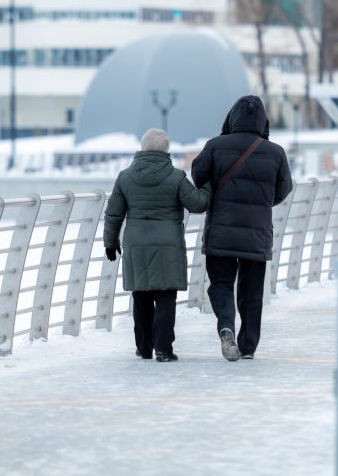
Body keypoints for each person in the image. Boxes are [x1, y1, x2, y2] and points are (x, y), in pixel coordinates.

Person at [192, 96, 293, 361]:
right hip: (256, 232)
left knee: (222, 284)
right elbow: (284, 189)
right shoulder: (275, 152)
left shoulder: (215, 146)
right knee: (252, 292)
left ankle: (227, 326)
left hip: (221, 230)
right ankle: (248, 346)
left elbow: (198, 176)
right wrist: (261, 203)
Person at [103, 128, 211, 363]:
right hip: (167, 245)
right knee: (165, 297)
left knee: (141, 296)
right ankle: (163, 349)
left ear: (142, 148)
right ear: (167, 150)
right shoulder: (176, 177)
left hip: (136, 245)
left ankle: (143, 348)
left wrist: (110, 242)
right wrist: (208, 185)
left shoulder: (125, 177)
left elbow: (113, 214)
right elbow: (198, 204)